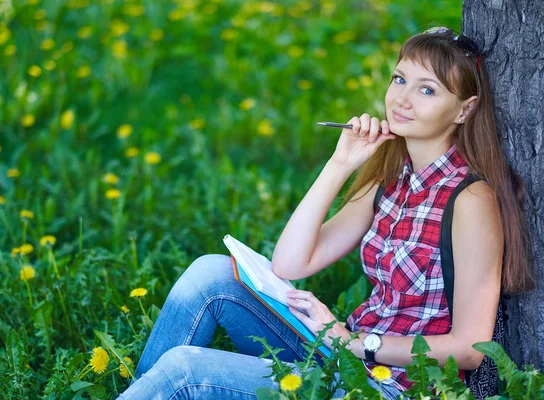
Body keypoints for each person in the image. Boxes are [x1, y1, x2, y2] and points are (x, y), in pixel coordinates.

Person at [117, 27, 534, 400]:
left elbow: (471, 348)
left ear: (464, 109)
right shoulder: (391, 175)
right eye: (399, 79)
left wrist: (356, 342)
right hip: (341, 355)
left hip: (392, 386)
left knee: (186, 370)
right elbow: (291, 262)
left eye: (427, 90)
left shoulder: (469, 199)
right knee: (211, 274)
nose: (402, 98)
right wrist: (340, 164)